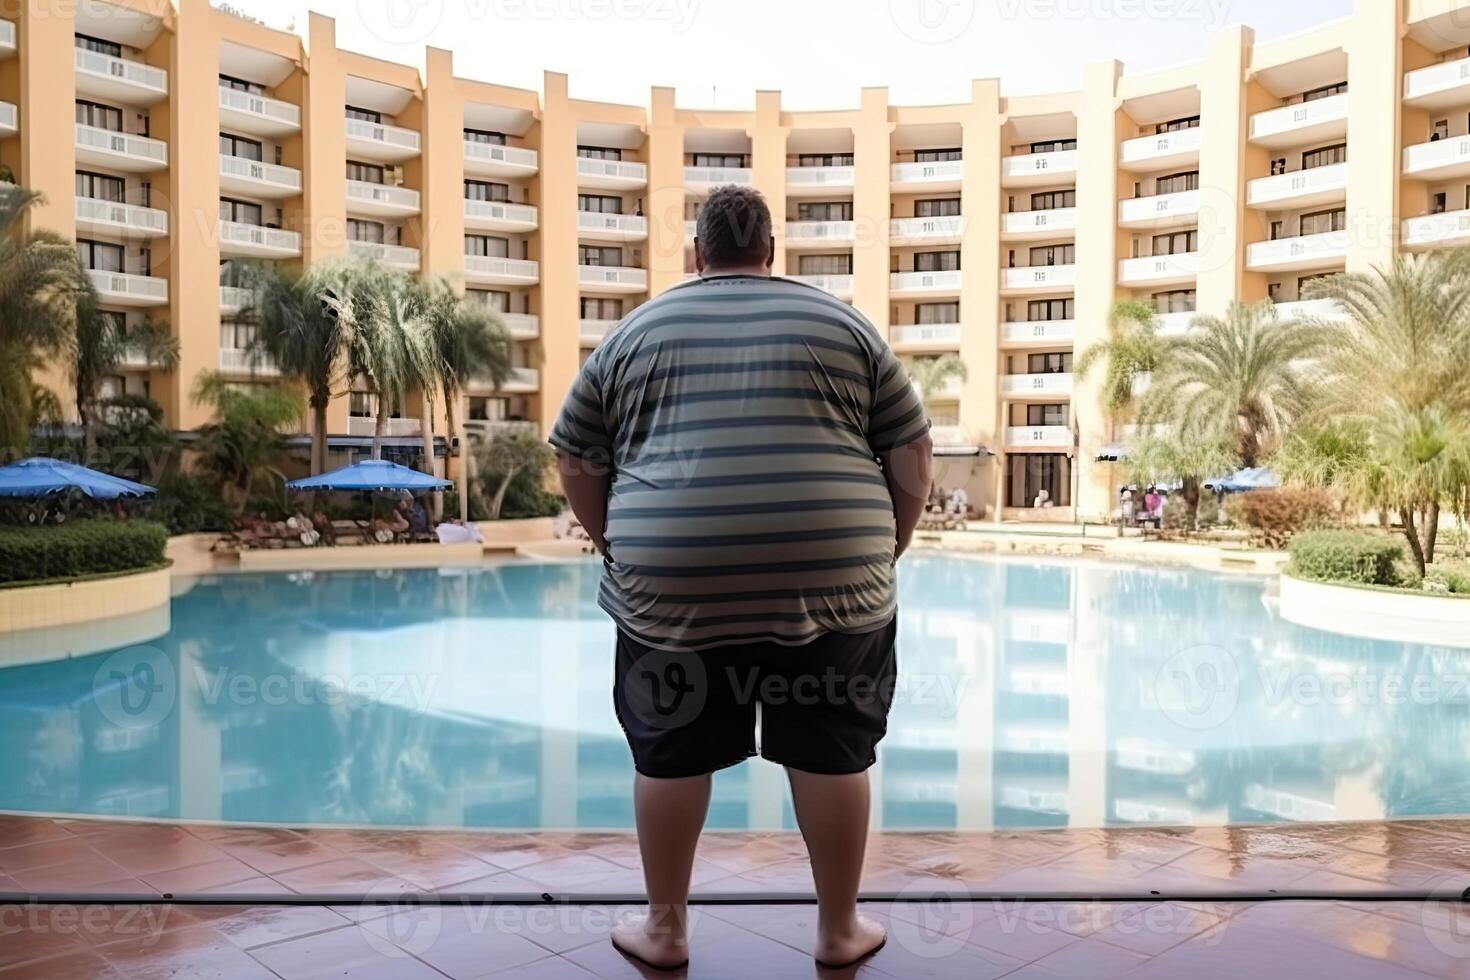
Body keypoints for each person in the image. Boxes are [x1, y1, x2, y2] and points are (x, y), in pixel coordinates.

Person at [552, 185, 932, 971]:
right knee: (833, 748)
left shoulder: (634, 331)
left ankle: (666, 930)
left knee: (670, 749)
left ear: (698, 255)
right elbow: (913, 452)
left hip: (672, 585)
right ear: (770, 252)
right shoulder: (843, 322)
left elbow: (575, 454)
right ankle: (836, 932)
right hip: (834, 580)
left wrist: (612, 544)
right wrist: (886, 545)